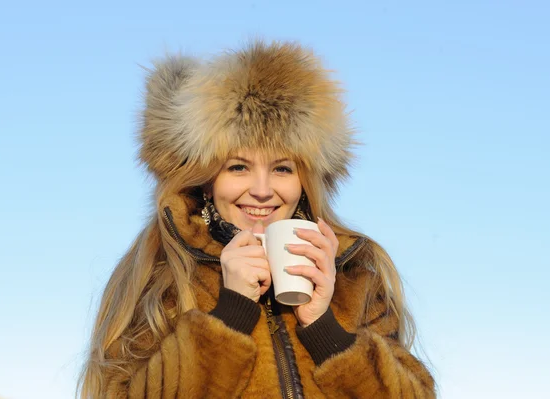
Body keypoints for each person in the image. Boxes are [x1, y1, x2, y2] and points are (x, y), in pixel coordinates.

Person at [79, 40, 436, 398]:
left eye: (282, 167)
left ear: (305, 180)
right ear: (206, 179)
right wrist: (231, 313)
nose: (262, 190)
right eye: (238, 167)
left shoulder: (353, 278)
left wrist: (324, 327)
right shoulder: (161, 279)